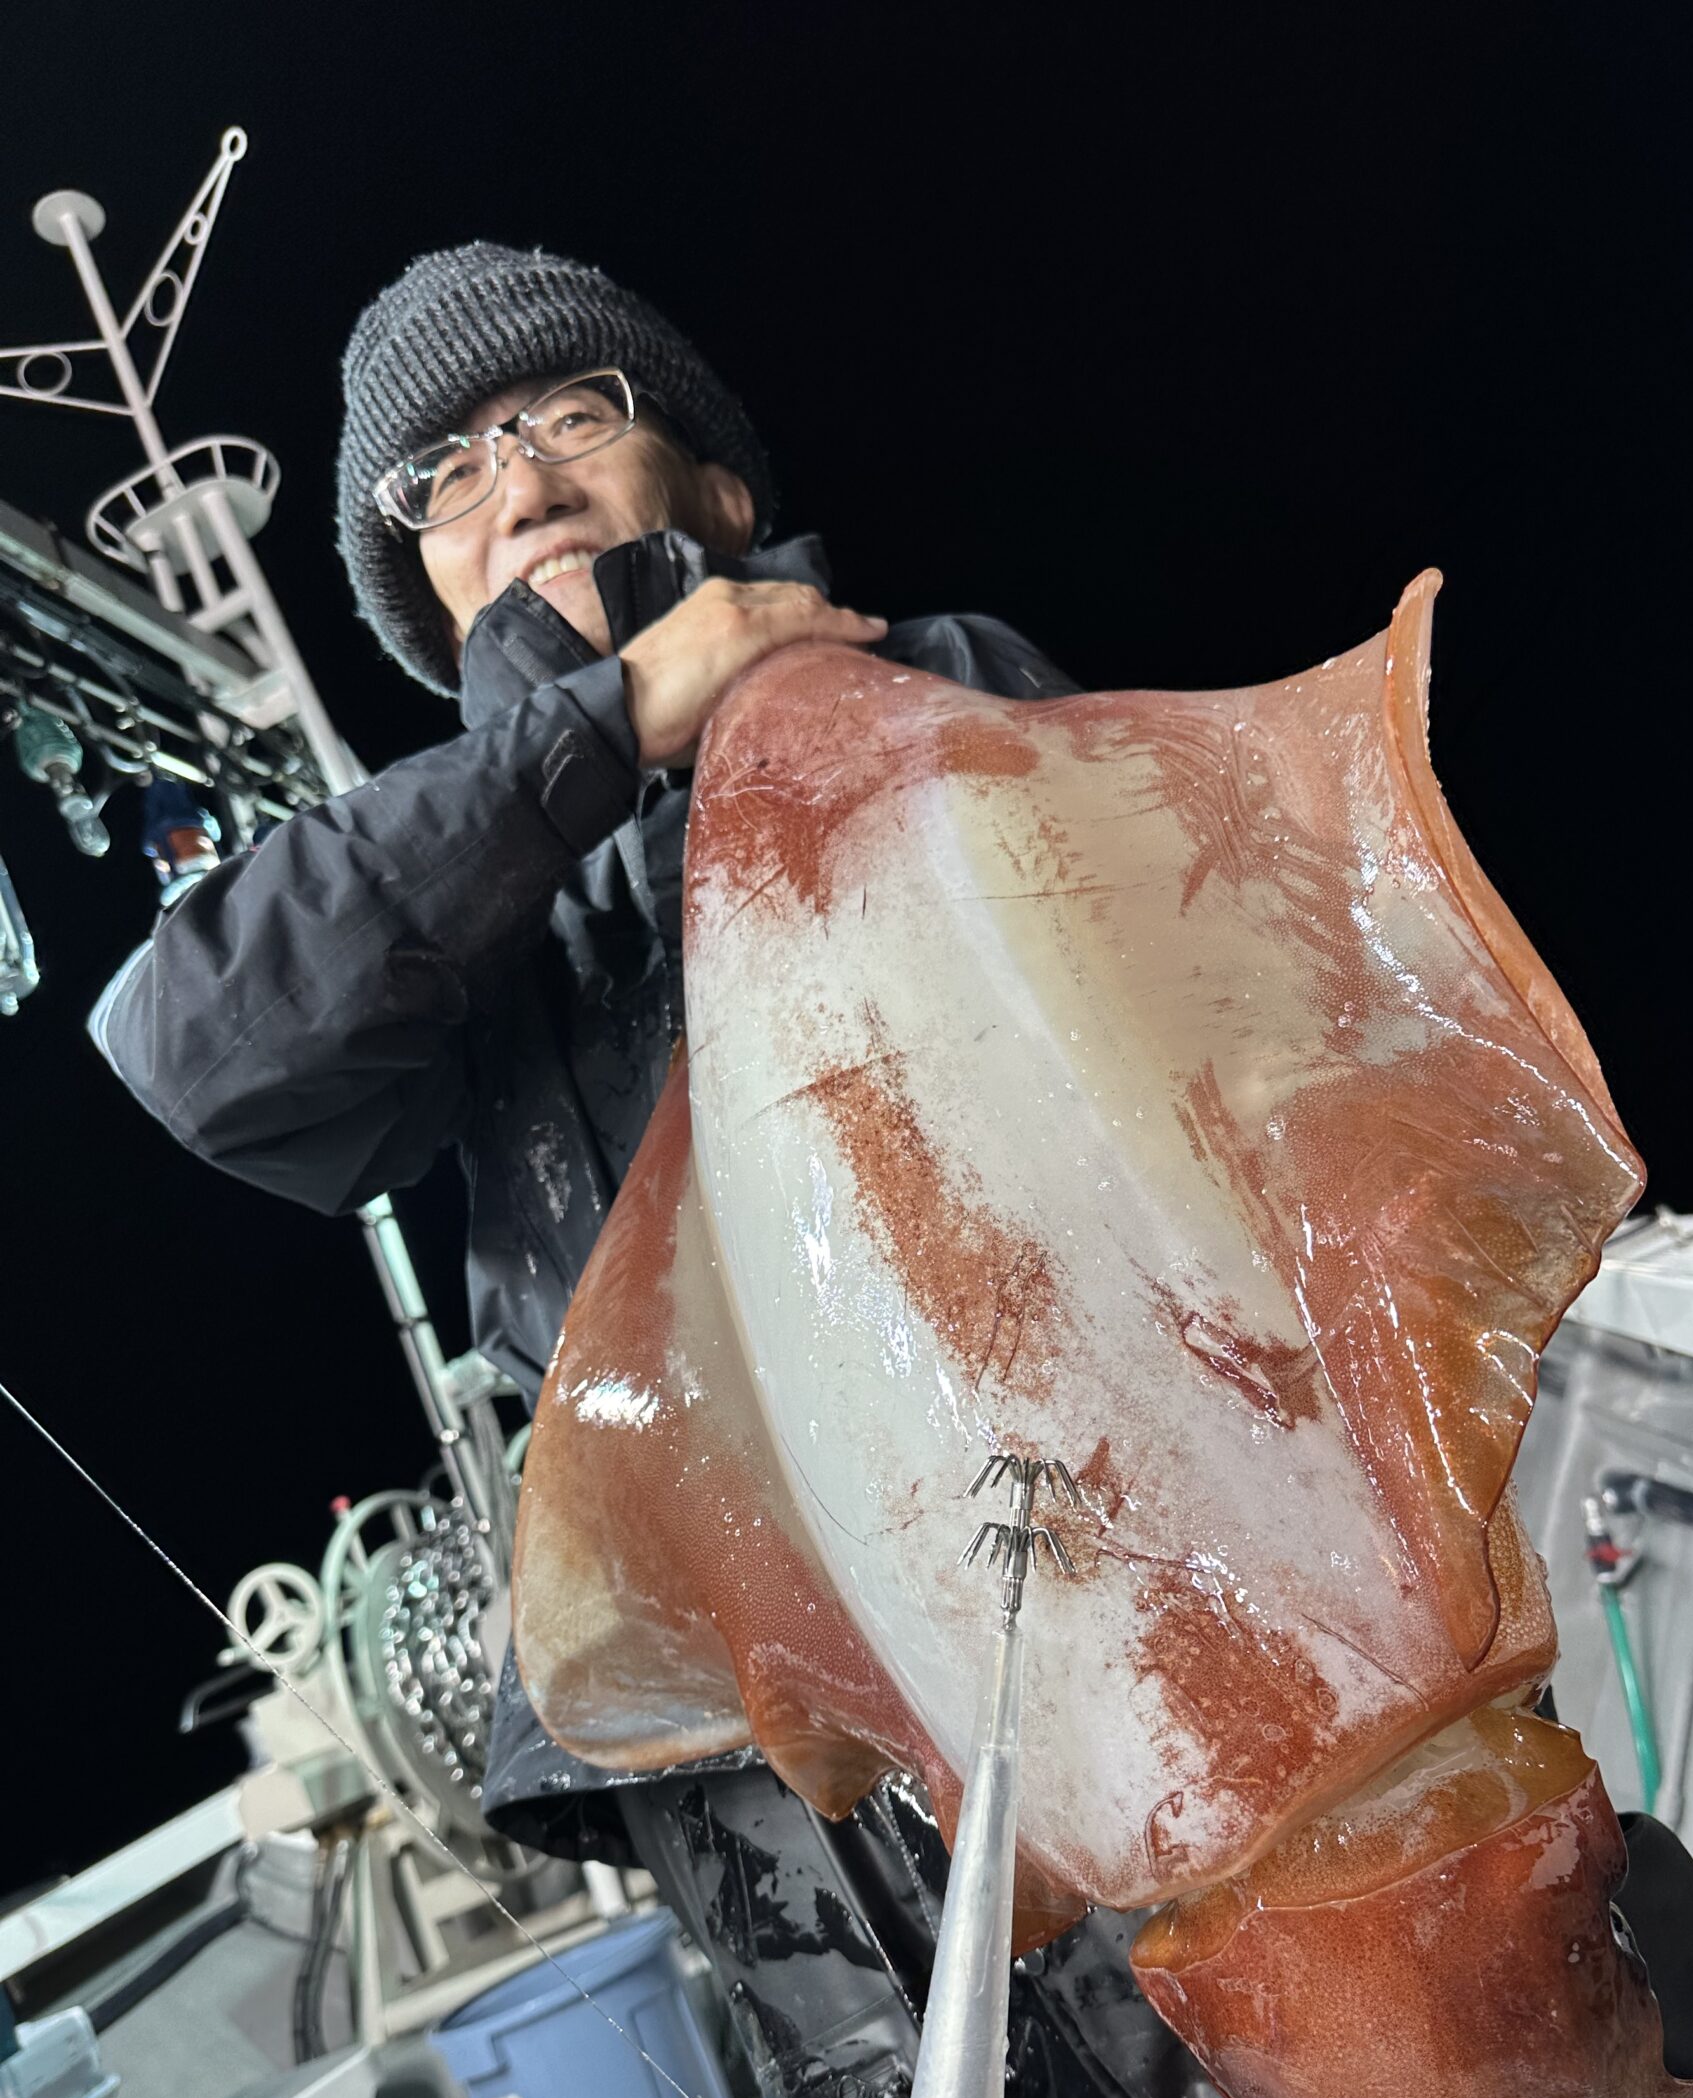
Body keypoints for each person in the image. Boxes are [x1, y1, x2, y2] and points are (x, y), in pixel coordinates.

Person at [92, 241, 1074, 1850]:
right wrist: (603, 728)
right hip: (735, 1754)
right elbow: (195, 1049)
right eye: (450, 470)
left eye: (571, 412)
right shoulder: (462, 921)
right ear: (431, 594)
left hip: (1071, 1572)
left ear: (723, 493)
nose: (522, 482)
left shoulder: (947, 682)